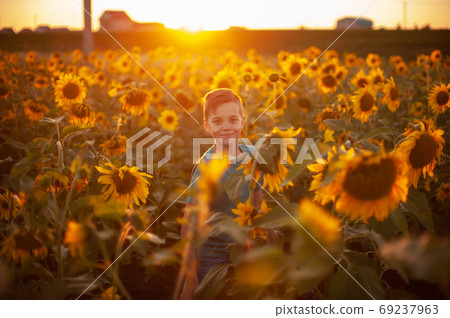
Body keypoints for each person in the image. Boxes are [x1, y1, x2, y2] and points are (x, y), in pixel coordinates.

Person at [179, 88, 264, 299]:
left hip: (247, 250)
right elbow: (188, 226)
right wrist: (190, 281)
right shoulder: (206, 168)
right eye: (217, 121)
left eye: (233, 119)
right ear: (207, 125)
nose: (226, 127)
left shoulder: (254, 158)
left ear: (242, 121)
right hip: (212, 255)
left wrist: (272, 253)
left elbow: (260, 211)